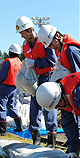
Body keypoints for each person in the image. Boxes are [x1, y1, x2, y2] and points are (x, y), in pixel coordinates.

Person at [38, 24, 80, 153]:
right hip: (69, 87)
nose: (52, 47)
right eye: (49, 46)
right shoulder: (61, 48)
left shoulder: (71, 49)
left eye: (52, 44)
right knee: (66, 114)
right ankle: (73, 148)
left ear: (57, 36)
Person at [16, 16, 58, 148]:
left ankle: (51, 140)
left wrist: (34, 63)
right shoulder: (25, 45)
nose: (22, 37)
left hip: (48, 77)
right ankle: (36, 139)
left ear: (30, 30)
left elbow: (52, 61)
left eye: (23, 33)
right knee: (34, 108)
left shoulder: (43, 41)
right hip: (35, 79)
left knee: (49, 107)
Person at [0, 43, 23, 136]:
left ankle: (2, 129)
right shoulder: (20, 62)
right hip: (14, 87)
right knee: (11, 105)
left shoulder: (8, 62)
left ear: (10, 52)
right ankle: (19, 125)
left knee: (1, 106)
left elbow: (2, 76)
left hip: (5, 86)